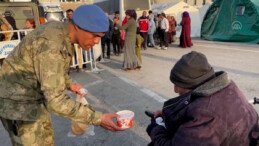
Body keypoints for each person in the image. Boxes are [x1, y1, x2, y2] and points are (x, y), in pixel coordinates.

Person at [0, 5, 124, 145]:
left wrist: (70, 83)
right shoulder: (52, 44)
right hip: (19, 105)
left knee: (46, 141)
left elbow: (50, 69)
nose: (96, 42)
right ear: (77, 26)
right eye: (94, 35)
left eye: (100, 37)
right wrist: (98, 118)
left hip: (32, 98)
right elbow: (56, 101)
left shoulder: (60, 31)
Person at [146, 51, 259, 145]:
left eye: (179, 85)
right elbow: (195, 104)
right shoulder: (227, 85)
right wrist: (169, 116)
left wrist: (156, 128)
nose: (175, 90)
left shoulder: (204, 113)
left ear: (193, 84)